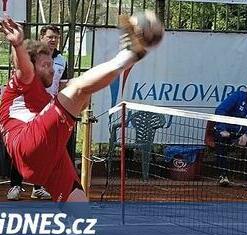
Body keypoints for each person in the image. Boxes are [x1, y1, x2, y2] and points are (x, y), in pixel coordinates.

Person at [0, 14, 151, 202]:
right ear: (32, 65)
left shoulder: (47, 97)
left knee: (78, 204)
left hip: (44, 161)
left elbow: (81, 102)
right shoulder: (22, 83)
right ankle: (130, 52)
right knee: (76, 88)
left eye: (52, 64)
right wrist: (17, 44)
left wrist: (82, 92)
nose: (52, 70)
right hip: (25, 141)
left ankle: (76, 231)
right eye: (46, 65)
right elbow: (23, 67)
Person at [6, 25, 69, 201]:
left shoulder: (62, 60)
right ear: (42, 38)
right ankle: (16, 186)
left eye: (56, 37)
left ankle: (38, 187)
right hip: (26, 107)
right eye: (50, 37)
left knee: (45, 149)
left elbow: (62, 85)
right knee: (23, 147)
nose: (53, 40)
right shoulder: (31, 56)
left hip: (49, 109)